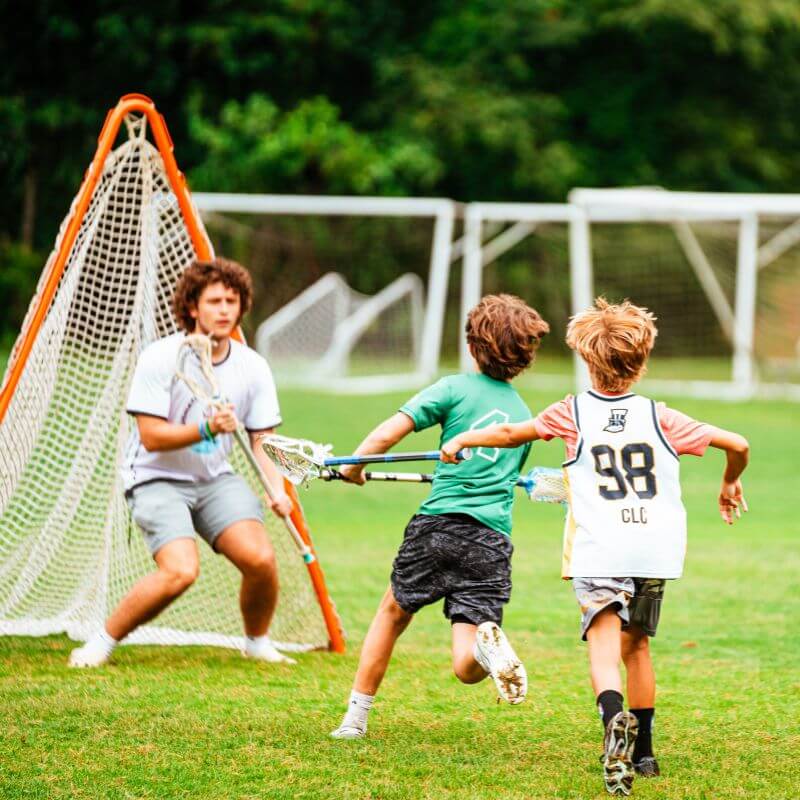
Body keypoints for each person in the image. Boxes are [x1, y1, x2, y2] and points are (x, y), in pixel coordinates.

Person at [440, 298, 749, 796]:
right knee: (639, 647)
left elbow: (507, 432)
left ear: (587, 359)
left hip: (601, 549)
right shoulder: (663, 417)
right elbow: (738, 443)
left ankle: (612, 720)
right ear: (642, 360)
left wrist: (461, 441)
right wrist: (730, 483)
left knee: (605, 647)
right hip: (654, 549)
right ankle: (644, 753)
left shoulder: (571, 412)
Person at [329, 294, 550, 739]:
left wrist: (354, 467)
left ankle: (355, 719)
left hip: (438, 527)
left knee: (391, 614)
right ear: (525, 358)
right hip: (490, 542)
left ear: (472, 345)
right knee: (463, 665)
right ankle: (485, 653)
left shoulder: (451, 388)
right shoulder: (524, 416)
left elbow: (387, 433)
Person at [69, 258, 296, 667]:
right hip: (156, 478)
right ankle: (102, 641)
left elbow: (262, 437)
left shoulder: (252, 366)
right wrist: (208, 429)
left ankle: (257, 641)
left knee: (260, 559)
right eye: (214, 301)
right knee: (180, 571)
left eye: (232, 300)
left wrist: (276, 488)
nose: (225, 309)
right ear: (192, 307)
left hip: (214, 480)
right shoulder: (161, 357)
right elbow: (152, 437)